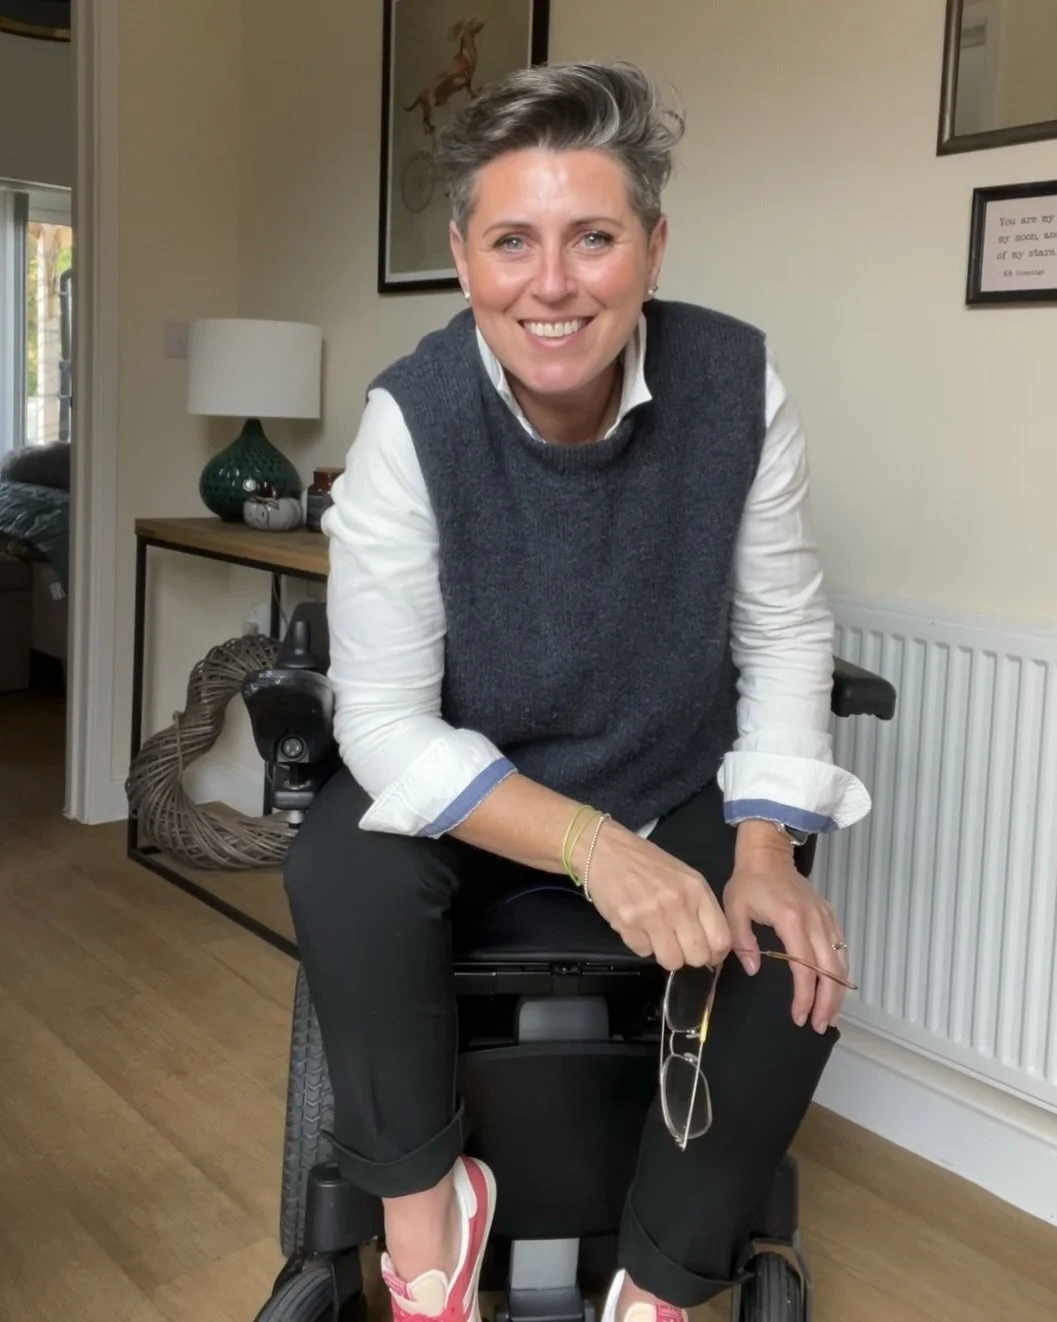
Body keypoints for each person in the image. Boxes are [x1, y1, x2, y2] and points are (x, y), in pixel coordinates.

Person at [284, 59, 870, 1322]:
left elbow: (783, 628)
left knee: (784, 947)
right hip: (473, 786)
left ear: (653, 247)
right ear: (463, 258)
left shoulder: (738, 387)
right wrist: (591, 847)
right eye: (513, 241)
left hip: (668, 769)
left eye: (592, 237)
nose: (551, 284)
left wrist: (765, 847)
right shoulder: (410, 421)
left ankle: (656, 1286)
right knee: (339, 863)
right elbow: (382, 719)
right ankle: (430, 1236)